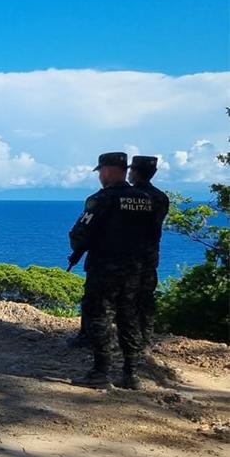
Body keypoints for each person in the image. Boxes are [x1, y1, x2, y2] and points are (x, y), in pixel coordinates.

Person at [68, 152, 155, 390]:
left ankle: (101, 371)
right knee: (129, 317)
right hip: (135, 269)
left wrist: (78, 247)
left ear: (106, 170)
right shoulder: (144, 198)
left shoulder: (101, 199)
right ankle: (131, 373)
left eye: (100, 172)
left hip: (104, 268)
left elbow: (79, 235)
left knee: (99, 316)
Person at [128, 155, 169, 348]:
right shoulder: (161, 198)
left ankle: (127, 338)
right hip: (150, 253)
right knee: (146, 296)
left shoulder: (129, 196)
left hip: (127, 254)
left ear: (135, 172)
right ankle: (146, 337)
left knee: (122, 296)